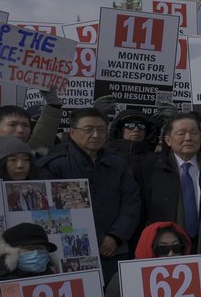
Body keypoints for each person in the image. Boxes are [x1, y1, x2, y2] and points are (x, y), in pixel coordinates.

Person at [38, 108, 142, 274]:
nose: (95, 135)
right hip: (72, 249)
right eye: (88, 130)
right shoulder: (55, 165)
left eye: (101, 130)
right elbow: (58, 212)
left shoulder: (118, 165)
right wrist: (99, 239)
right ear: (72, 132)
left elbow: (131, 203)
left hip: (114, 249)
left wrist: (115, 236)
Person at [135, 113, 201, 261]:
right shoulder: (148, 169)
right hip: (166, 251)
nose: (188, 138)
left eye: (193, 133)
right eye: (181, 133)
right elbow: (140, 214)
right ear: (168, 140)